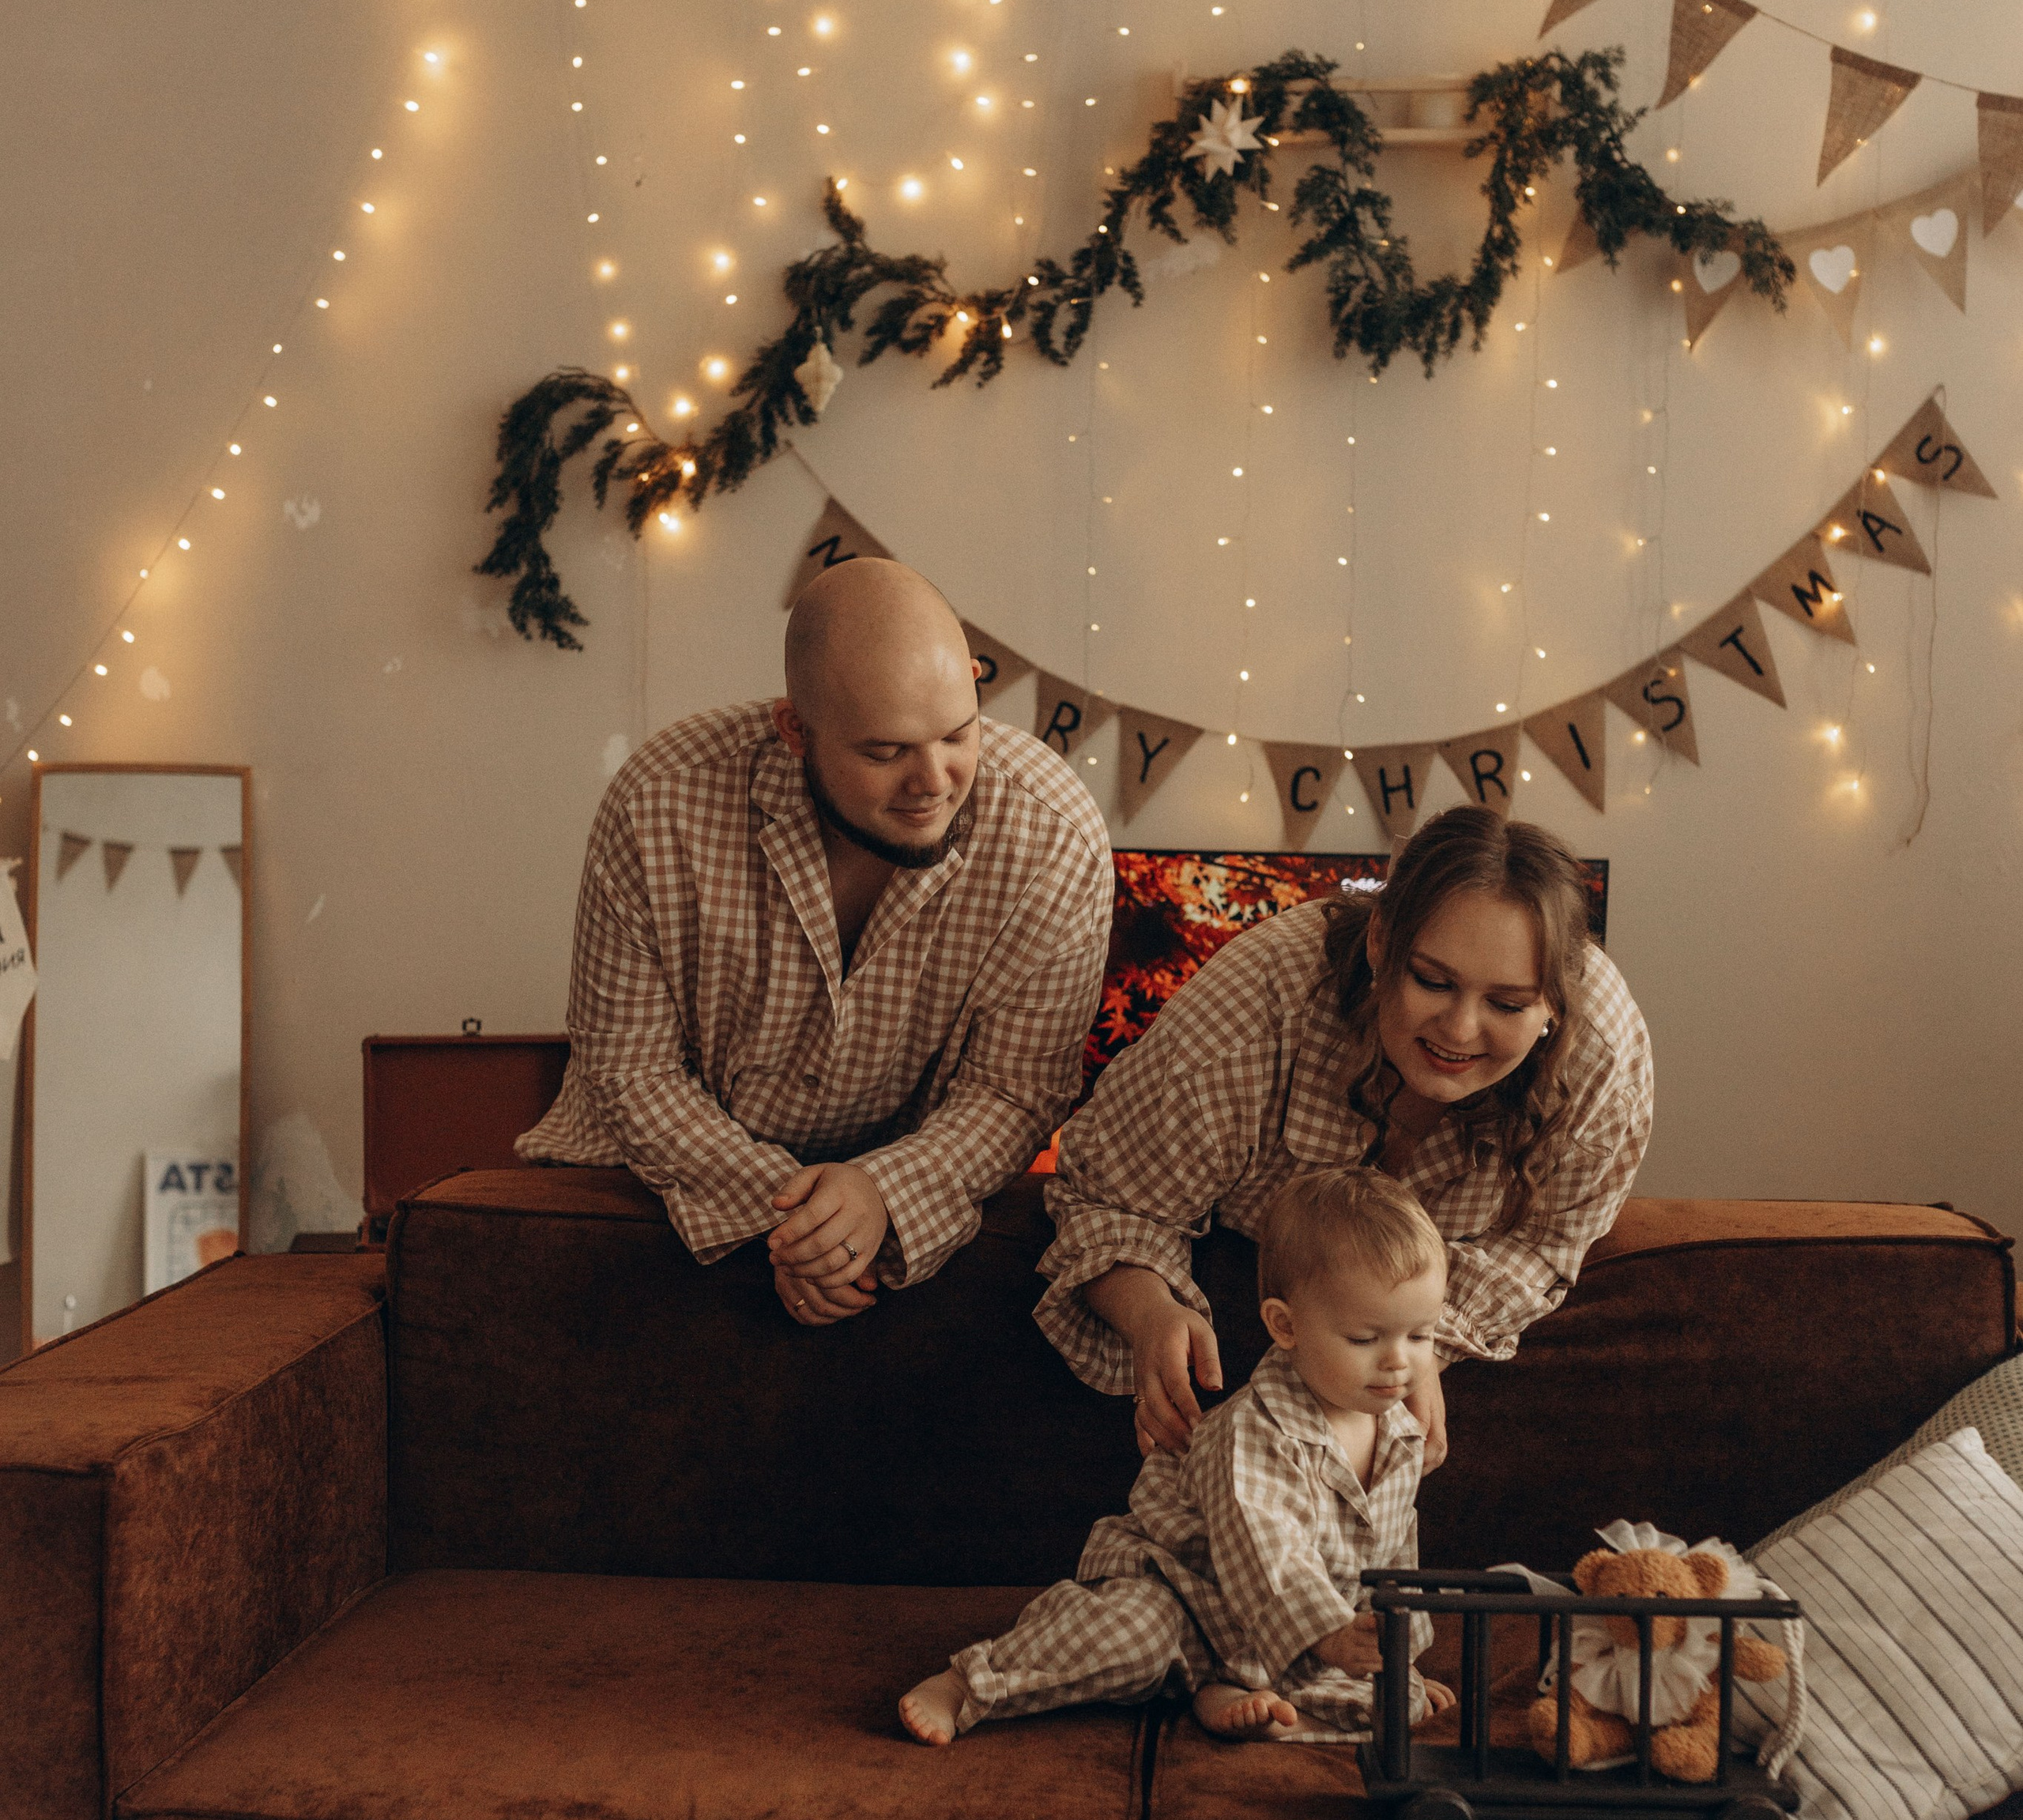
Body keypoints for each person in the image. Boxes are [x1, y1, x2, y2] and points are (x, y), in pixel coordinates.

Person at [518, 558, 1114, 1324]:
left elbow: (1015, 1088)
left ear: (973, 679)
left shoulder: (1055, 834)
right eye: (884, 751)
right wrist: (803, 1226)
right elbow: (628, 1068)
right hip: (647, 1190)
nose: (933, 779)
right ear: (794, 729)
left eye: (956, 734)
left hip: (907, 1209)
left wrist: (879, 1196)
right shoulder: (659, 801)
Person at [1035, 804, 1652, 1465]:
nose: (1460, 1029)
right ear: (1381, 942)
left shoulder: (1604, 1069)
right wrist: (1149, 1313)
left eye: (1507, 1004)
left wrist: (1418, 1347)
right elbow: (1107, 1197)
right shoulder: (1254, 1011)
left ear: (1555, 1002)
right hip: (1226, 1280)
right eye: (1433, 980)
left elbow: (1543, 1246)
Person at [900, 1166, 1456, 1745]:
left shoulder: (1400, 1436)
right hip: (1187, 1595)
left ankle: (1238, 1696)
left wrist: (1393, 1650)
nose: (1400, 1362)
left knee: (1402, 1705)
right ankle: (967, 1683)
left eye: (1420, 1336)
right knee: (1130, 1639)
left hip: (1293, 1635)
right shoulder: (1252, 1430)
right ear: (1285, 1326)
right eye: (1366, 1339)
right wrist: (1332, 1633)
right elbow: (1264, 1548)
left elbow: (1391, 1555)